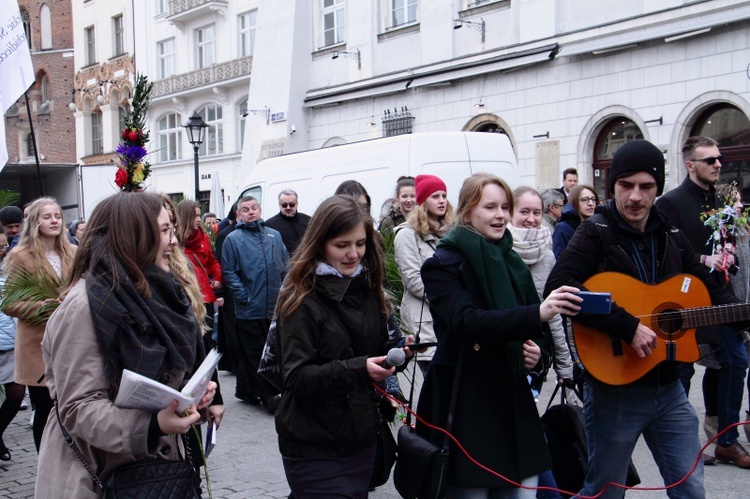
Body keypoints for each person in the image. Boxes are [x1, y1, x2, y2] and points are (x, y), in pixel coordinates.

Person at [544, 139, 747, 497]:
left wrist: (742, 314)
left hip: (669, 388)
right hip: (614, 390)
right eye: (626, 186)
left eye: (646, 187)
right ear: (613, 187)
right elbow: (560, 286)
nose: (635, 197)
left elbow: (709, 288)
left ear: (658, 188)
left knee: (691, 488)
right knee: (606, 491)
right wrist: (625, 325)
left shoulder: (669, 234)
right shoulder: (596, 232)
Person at [34, 192, 216, 497]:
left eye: (172, 228)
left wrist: (188, 398)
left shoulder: (154, 290)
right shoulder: (84, 306)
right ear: (133, 237)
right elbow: (78, 408)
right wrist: (154, 424)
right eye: (164, 231)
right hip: (100, 476)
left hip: (154, 470)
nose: (173, 241)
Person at [418, 173, 581, 497]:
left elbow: (538, 336)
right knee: (474, 491)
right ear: (467, 212)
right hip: (466, 400)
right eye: (490, 206)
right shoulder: (442, 264)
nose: (500, 215)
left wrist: (537, 357)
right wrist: (536, 315)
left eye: (504, 207)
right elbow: (467, 322)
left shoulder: (512, 261)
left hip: (512, 398)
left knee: (525, 490)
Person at [274, 195, 412, 497]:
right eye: (342, 245)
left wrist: (398, 352)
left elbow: (372, 352)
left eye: (360, 244)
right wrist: (360, 368)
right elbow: (296, 377)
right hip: (312, 440)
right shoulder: (301, 298)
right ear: (320, 243)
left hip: (358, 436)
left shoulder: (366, 286)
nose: (353, 254)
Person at [656, 136, 750, 468]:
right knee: (683, 369)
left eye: (719, 159)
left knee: (733, 361)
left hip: (720, 297)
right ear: (690, 165)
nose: (717, 164)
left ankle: (725, 439)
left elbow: (729, 255)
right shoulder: (670, 203)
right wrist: (703, 259)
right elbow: (666, 253)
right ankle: (678, 441)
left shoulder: (719, 203)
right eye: (709, 160)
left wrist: (730, 264)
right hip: (684, 301)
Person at [2, 197, 75, 451]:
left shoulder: (74, 252)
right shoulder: (20, 256)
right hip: (36, 342)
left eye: (57, 215)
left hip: (70, 340)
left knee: (70, 404)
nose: (54, 220)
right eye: (47, 216)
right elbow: (9, 301)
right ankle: (46, 464)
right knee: (44, 408)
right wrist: (43, 307)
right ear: (35, 222)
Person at [221, 195, 289, 412]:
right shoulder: (233, 239)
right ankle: (268, 396)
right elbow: (229, 272)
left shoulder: (274, 236)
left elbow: (286, 265)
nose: (251, 212)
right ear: (238, 214)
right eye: (245, 209)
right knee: (255, 354)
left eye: (254, 208)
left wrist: (285, 292)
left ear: (260, 210)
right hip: (249, 309)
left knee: (272, 351)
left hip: (273, 306)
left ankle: (247, 390)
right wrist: (243, 295)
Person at [508, 186, 575, 388]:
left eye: (536, 213)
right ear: (511, 213)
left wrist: (564, 367)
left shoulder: (547, 255)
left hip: (538, 350)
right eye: (524, 212)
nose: (531, 218)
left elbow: (555, 314)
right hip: (505, 350)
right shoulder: (498, 250)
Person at [394, 174, 454, 373]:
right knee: (435, 380)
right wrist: (449, 299)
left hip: (451, 317)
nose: (442, 200)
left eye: (444, 195)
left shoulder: (451, 232)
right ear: (423, 201)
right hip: (425, 319)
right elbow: (413, 280)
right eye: (435, 196)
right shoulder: (406, 234)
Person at [176, 200, 224, 352]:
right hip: (186, 296)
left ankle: (211, 375)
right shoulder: (174, 240)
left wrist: (217, 277)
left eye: (199, 215)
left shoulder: (202, 237)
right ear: (185, 217)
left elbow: (211, 261)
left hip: (204, 297)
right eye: (195, 216)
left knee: (207, 339)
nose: (198, 219)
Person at [0, 226, 23, 461]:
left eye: (4, 246)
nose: (2, 251)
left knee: (16, 396)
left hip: (12, 341)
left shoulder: (11, 266)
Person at [552, 184, 598, 258]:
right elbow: (559, 259)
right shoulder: (563, 228)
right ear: (574, 202)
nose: (590, 203)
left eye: (593, 199)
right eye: (584, 199)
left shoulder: (598, 224)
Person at [265, 189, 312, 256]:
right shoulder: (270, 225)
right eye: (284, 205)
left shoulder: (307, 220)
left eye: (292, 204)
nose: (288, 207)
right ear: (279, 204)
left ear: (297, 204)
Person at [379, 176, 416, 248]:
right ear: (398, 198)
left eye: (412, 196)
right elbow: (384, 251)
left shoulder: (423, 219)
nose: (409, 200)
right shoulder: (389, 222)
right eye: (404, 196)